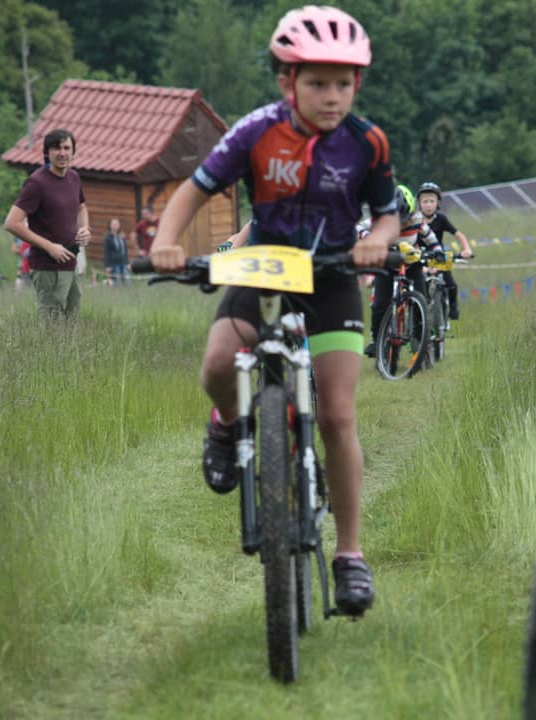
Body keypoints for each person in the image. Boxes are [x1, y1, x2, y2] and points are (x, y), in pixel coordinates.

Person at [150, 5, 398, 616]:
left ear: (357, 85)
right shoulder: (256, 132)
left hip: (332, 276)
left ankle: (350, 555)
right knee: (217, 365)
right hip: (263, 267)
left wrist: (378, 239)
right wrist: (167, 241)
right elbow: (195, 189)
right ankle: (226, 422)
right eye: (317, 83)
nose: (331, 96)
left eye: (343, 83)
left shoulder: (367, 142)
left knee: (337, 415)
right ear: (288, 81)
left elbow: (389, 213)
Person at [3, 128, 91, 320]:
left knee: (71, 321)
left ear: (73, 152)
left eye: (67, 148)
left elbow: (82, 207)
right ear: (47, 152)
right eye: (56, 148)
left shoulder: (74, 177)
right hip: (46, 266)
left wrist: (85, 228)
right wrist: (49, 246)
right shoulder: (36, 183)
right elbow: (11, 223)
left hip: (71, 263)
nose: (62, 153)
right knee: (52, 325)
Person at [363, 184, 444, 358]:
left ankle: (420, 338)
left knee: (421, 299)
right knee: (379, 305)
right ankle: (377, 341)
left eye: (404, 219)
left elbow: (429, 236)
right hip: (387, 264)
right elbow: (359, 229)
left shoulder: (417, 219)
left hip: (412, 264)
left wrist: (437, 250)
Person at [416, 181, 472, 320]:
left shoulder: (441, 219)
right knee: (420, 288)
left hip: (439, 256)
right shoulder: (415, 220)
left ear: (438, 203)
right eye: (425, 201)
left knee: (451, 285)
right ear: (419, 203)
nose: (428, 205)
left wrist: (466, 249)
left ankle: (453, 306)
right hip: (420, 257)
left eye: (432, 201)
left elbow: (458, 234)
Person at [103, 218, 130, 284]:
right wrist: (107, 266)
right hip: (114, 264)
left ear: (119, 225)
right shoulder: (108, 238)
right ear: (110, 225)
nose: (115, 225)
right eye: (113, 224)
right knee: (118, 282)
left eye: (117, 224)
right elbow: (106, 253)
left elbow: (125, 250)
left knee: (127, 281)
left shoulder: (121, 236)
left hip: (123, 262)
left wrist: (127, 263)